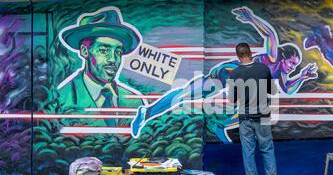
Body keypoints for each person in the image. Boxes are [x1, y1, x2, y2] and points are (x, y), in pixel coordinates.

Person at [131, 7, 317, 141]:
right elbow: (270, 35)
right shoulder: (273, 56)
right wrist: (252, 18)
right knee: (184, 94)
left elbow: (289, 90)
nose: (293, 68)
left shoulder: (281, 74)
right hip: (227, 73)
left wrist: (302, 76)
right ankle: (148, 112)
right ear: (284, 57)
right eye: (292, 63)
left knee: (247, 104)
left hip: (237, 84)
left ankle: (148, 113)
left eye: (295, 66)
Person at [58, 8, 145, 126]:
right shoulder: (62, 100)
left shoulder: (134, 102)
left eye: (118, 52)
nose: (113, 59)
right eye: (104, 51)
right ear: (84, 51)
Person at [227, 42, 281, 175]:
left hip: (245, 117)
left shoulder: (235, 74)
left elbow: (231, 99)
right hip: (263, 115)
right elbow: (273, 91)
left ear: (238, 56)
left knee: (248, 151)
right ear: (250, 53)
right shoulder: (263, 69)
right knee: (267, 149)